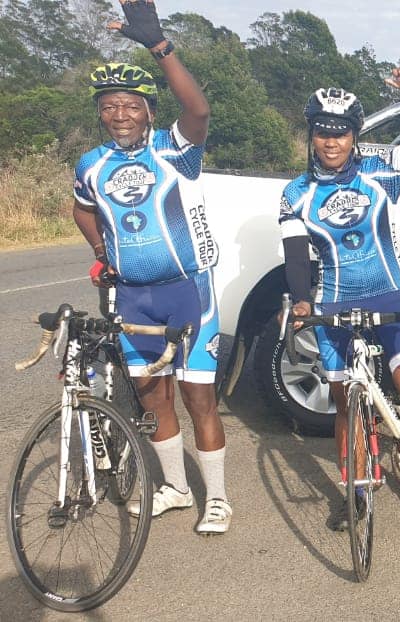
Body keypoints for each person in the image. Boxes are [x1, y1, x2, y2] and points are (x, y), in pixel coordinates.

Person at [72, 0, 230, 534]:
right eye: (110, 106)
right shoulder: (92, 164)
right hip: (135, 298)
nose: (120, 114)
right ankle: (177, 489)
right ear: (100, 113)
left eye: (131, 105)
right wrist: (102, 253)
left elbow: (200, 110)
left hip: (188, 292)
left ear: (149, 112)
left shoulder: (174, 150)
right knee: (151, 395)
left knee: (198, 397)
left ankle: (217, 499)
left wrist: (159, 46)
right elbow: (82, 208)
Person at [278, 53, 400, 529]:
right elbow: (296, 257)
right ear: (311, 135)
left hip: (391, 296)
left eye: (340, 131)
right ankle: (356, 488)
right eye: (322, 131)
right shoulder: (296, 193)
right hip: (335, 300)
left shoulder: (379, 169)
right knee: (346, 405)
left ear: (354, 135)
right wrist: (301, 301)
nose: (331, 140)